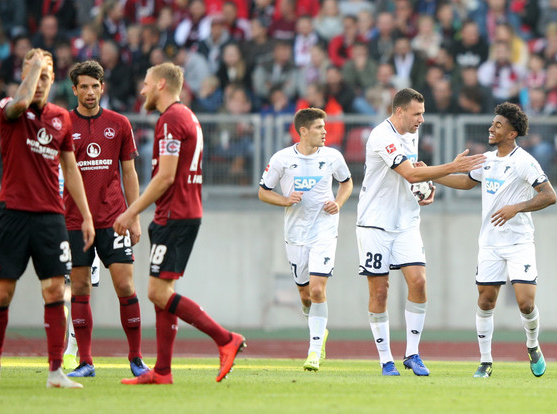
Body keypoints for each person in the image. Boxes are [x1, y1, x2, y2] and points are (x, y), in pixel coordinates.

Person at [113, 62, 245, 385]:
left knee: (157, 292)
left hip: (176, 214)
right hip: (177, 212)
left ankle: (225, 338)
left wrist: (131, 212)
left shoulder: (171, 119)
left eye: (145, 83)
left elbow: (166, 176)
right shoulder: (187, 116)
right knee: (163, 291)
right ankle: (162, 371)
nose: (141, 90)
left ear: (160, 84)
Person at [0, 49, 95, 389]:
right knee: (3, 293)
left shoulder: (61, 117)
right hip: (13, 214)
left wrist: (86, 215)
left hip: (50, 217)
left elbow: (71, 169)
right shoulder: (8, 109)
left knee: (56, 290)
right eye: (33, 76)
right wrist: (33, 69)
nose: (39, 84)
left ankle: (55, 372)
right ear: (24, 76)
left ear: (54, 80)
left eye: (45, 77)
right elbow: (20, 101)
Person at [356, 87, 484, 376]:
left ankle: (412, 353)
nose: (421, 120)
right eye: (417, 114)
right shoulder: (381, 136)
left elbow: (414, 173)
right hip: (375, 222)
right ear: (399, 112)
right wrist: (452, 167)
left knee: (419, 281)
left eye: (423, 114)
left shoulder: (409, 133)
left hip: (406, 222)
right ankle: (385, 359)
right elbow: (409, 173)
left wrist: (426, 189)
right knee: (380, 291)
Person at [433, 102, 557, 379]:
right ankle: (485, 361)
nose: (491, 128)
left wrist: (516, 207)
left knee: (526, 303)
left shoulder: (525, 162)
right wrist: (435, 175)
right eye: (493, 123)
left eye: (498, 125)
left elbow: (549, 195)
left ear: (512, 134)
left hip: (519, 242)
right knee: (486, 300)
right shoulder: (487, 159)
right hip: (490, 243)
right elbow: (467, 182)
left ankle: (533, 345)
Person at [62, 60, 150, 378]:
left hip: (115, 220)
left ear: (103, 88)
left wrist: (134, 214)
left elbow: (129, 172)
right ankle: (86, 362)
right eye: (82, 86)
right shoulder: (63, 124)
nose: (89, 91)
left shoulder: (119, 124)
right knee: (81, 287)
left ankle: (137, 360)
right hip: (74, 221)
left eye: (94, 86)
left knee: (125, 285)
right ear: (74, 90)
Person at [258, 107, 353, 371]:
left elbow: (347, 183)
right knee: (304, 293)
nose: (325, 132)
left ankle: (313, 351)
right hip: (295, 235)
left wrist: (338, 202)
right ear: (303, 131)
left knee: (318, 288)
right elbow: (263, 192)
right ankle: (319, 331)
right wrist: (285, 200)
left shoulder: (333, 156)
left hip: (324, 230)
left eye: (325, 127)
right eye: (319, 128)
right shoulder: (281, 159)